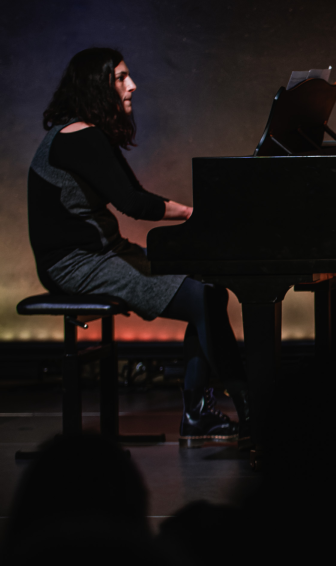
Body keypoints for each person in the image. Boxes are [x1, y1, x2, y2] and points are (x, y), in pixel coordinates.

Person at [28, 47, 249, 442]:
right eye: (121, 78)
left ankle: (199, 412)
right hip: (79, 264)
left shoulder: (84, 134)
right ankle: (251, 409)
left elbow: (133, 193)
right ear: (98, 86)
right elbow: (133, 204)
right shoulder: (79, 137)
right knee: (202, 298)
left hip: (103, 254)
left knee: (210, 292)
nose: (132, 85)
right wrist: (191, 213)